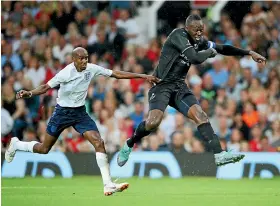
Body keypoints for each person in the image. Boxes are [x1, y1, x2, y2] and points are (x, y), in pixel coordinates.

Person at [5, 47, 160, 196]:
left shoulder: (91, 68)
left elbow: (115, 74)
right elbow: (46, 86)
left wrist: (142, 76)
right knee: (44, 149)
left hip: (80, 113)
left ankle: (108, 184)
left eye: (86, 58)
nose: (85, 61)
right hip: (62, 113)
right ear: (74, 60)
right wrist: (30, 93)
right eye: (81, 58)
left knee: (99, 142)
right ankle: (17, 144)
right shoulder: (65, 73)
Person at [117, 14, 266, 167]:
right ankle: (129, 144)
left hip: (179, 87)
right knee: (153, 123)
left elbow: (222, 48)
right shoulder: (178, 35)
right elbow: (194, 58)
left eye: (201, 30)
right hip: (162, 85)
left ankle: (219, 154)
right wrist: (209, 53)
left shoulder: (199, 41)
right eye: (196, 30)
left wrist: (248, 53)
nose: (199, 33)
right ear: (187, 28)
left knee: (200, 115)